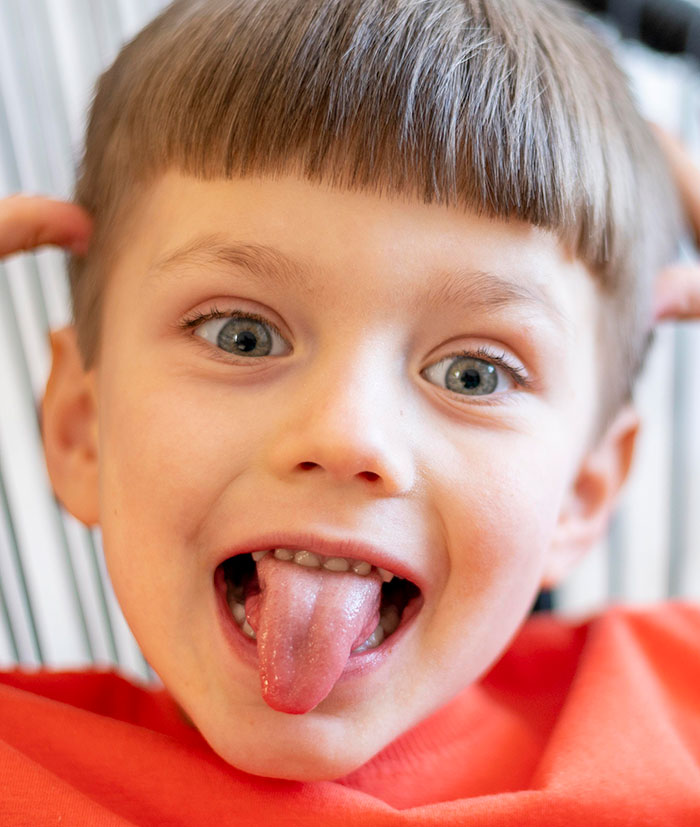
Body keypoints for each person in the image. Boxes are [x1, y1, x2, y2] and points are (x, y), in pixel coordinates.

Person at [2, 0, 700, 822]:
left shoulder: (672, 707)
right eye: (242, 335)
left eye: (474, 374)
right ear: (82, 429)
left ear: (582, 490)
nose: (346, 435)